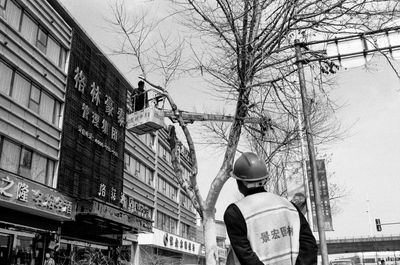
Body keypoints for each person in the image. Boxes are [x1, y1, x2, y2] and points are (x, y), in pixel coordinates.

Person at [224, 152, 318, 265]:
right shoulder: (290, 207)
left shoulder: (235, 212)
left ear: (241, 182)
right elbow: (309, 246)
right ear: (265, 179)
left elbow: (246, 256)